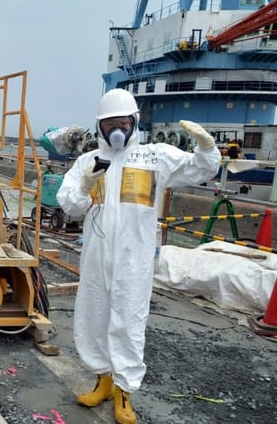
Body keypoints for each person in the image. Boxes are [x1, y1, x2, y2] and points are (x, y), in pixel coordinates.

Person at [56, 88, 221, 424]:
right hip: (97, 258)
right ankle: (102, 381)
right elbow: (69, 206)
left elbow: (202, 169)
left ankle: (125, 392)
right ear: (100, 127)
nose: (118, 130)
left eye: (124, 122)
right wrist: (87, 185)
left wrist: (206, 146)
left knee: (129, 322)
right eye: (111, 124)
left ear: (134, 123)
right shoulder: (88, 162)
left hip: (134, 259)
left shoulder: (154, 156)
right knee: (94, 316)